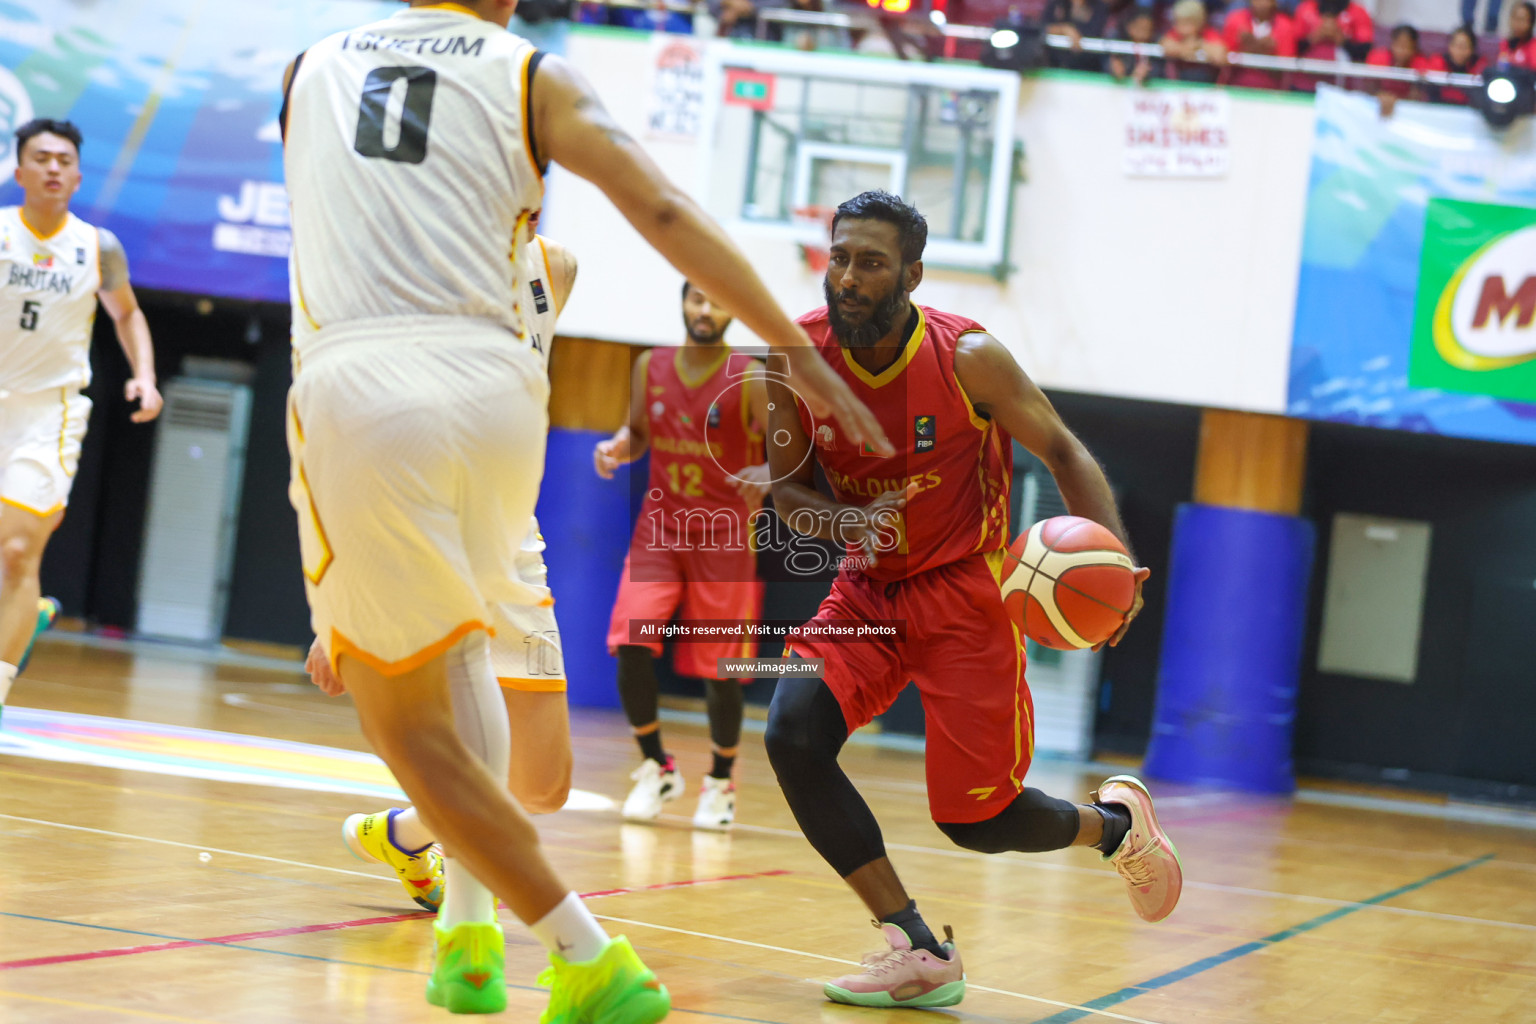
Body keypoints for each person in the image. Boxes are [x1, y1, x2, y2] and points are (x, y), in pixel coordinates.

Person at [281, 0, 888, 1018]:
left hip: (369, 389)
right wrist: (799, 354)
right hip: (495, 408)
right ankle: (467, 937)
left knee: (411, 721)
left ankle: (585, 953)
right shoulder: (532, 76)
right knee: (477, 689)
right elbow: (662, 207)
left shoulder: (311, 69)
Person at [761, 190, 1181, 1009]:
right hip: (867, 591)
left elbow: (1062, 448)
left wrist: (1117, 561)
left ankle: (1118, 828)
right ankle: (916, 947)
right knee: (792, 733)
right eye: (839, 257)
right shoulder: (795, 361)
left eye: (870, 262)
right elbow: (785, 490)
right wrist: (845, 519)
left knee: (978, 822)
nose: (847, 277)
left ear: (911, 274)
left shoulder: (969, 359)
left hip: (966, 595)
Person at [317, 233, 580, 915]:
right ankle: (474, 938)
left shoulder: (555, 267)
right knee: (463, 745)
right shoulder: (407, 264)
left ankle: (403, 835)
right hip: (420, 535)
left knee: (543, 784)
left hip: (512, 543)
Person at [0, 119, 162, 727]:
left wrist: (143, 374)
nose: (52, 168)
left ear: (77, 175)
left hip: (50, 411)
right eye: (40, 158)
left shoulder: (99, 247)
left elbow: (127, 314)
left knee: (16, 552)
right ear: (18, 173)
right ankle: (30, 612)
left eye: (63, 160)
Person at [594, 281, 768, 832]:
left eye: (717, 300)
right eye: (696, 299)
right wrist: (620, 445)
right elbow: (641, 431)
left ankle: (720, 781)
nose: (704, 310)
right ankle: (656, 766)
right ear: (683, 302)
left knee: (721, 670)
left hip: (725, 537)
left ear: (730, 310)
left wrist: (768, 472)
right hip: (661, 531)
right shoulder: (651, 366)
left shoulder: (752, 377)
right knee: (630, 640)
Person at [1221, 0, 1298, 91]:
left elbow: (1287, 65)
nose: (1262, 3)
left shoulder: (1285, 25)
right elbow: (1225, 55)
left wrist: (1269, 52)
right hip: (1236, 85)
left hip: (1271, 89)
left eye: (1267, 1)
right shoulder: (1235, 19)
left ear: (1274, 3)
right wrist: (1244, 48)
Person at [1159, 0, 1227, 83]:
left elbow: (1219, 55)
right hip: (1178, 84)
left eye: (1186, 23)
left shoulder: (1208, 32)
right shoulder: (1175, 33)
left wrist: (1198, 46)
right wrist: (1183, 48)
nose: (1180, 27)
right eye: (1178, 22)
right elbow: (1166, 45)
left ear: (1198, 22)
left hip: (1204, 85)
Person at [1364, 24, 1429, 107]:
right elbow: (1370, 86)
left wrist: (1398, 102)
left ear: (1414, 48)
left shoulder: (1420, 62)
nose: (1402, 51)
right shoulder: (1379, 57)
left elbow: (1418, 94)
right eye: (1399, 46)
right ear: (1392, 43)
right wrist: (1380, 96)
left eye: (1407, 47)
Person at [1045, 0, 1110, 73]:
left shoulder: (1099, 6)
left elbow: (1094, 33)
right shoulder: (1057, 3)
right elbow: (1043, 29)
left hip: (1087, 69)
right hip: (1055, 68)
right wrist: (1064, 29)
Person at [1427, 27, 1487, 106]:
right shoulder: (1438, 62)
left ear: (1472, 49)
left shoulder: (1480, 66)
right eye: (1457, 46)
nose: (1460, 51)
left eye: (1465, 47)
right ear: (1449, 46)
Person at [1107, 7, 1163, 84]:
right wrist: (1113, 68)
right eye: (1141, 29)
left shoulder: (1156, 47)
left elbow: (1158, 69)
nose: (1144, 35)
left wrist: (1148, 73)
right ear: (1130, 28)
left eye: (1149, 30)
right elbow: (1105, 63)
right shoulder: (1119, 45)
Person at [1499, 1, 1536, 66]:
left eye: (1521, 19)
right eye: (1514, 18)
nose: (1517, 24)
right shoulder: (1505, 44)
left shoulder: (1533, 46)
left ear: (1531, 23)